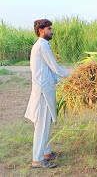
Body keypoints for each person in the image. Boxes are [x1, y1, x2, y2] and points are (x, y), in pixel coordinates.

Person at [25, 19, 69, 168]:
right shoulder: (42, 46)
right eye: (49, 29)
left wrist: (60, 79)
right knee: (42, 126)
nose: (52, 31)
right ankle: (37, 160)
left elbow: (49, 70)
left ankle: (46, 152)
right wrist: (71, 76)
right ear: (41, 30)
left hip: (45, 88)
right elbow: (54, 67)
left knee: (46, 123)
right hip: (42, 91)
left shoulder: (41, 45)